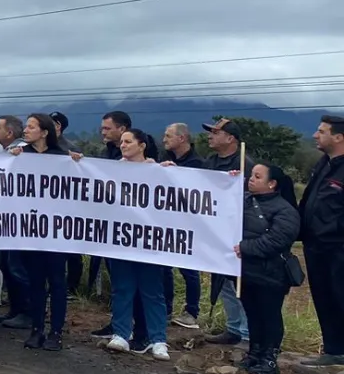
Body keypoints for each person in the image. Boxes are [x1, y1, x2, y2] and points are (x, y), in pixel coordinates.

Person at [12, 114, 82, 351]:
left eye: (31, 127)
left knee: (57, 281)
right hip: (30, 230)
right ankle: (37, 329)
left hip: (57, 231)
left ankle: (56, 332)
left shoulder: (62, 157)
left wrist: (78, 163)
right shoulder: (20, 155)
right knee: (36, 281)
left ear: (44, 132)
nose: (26, 130)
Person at [103, 129, 171, 361]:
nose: (122, 145)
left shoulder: (159, 170)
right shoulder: (112, 169)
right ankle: (121, 333)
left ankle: (158, 340)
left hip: (149, 241)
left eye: (128, 141)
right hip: (120, 240)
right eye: (121, 142)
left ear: (142, 145)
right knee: (122, 289)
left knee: (152, 292)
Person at [235, 164, 302, 374]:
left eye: (257, 176)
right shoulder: (244, 200)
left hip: (271, 274)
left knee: (270, 315)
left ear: (272, 184)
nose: (250, 179)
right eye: (251, 175)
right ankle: (254, 353)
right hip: (247, 272)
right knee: (253, 313)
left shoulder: (286, 211)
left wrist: (244, 248)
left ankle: (270, 358)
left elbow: (276, 241)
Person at [200, 118, 255, 348]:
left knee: (240, 283)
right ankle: (233, 328)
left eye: (215, 132)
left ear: (230, 138)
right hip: (216, 233)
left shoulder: (245, 164)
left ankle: (247, 333)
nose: (210, 136)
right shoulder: (210, 162)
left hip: (239, 234)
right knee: (222, 281)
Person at [298, 114, 344, 367]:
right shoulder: (323, 164)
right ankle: (334, 351)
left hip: (338, 247)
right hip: (315, 247)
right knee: (324, 298)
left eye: (322, 131)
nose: (316, 135)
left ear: (338, 137)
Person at [160, 122, 204, 331]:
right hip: (168, 222)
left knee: (189, 270)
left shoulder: (198, 163)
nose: (164, 140)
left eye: (168, 136)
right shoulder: (165, 159)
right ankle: (166, 309)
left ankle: (192, 312)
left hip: (189, 225)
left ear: (182, 138)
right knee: (164, 268)